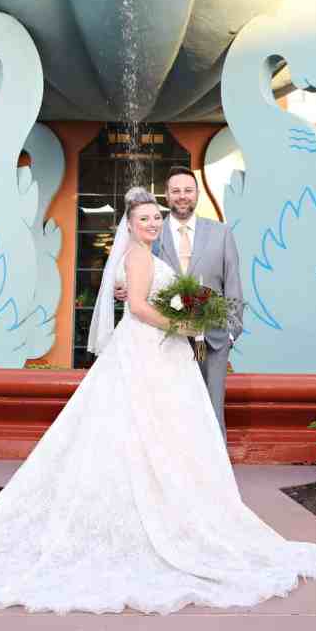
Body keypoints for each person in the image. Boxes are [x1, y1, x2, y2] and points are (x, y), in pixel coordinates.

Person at [0, 186, 316, 614]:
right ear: (130, 225)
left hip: (164, 356)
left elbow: (148, 296)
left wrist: (188, 310)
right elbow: (144, 309)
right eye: (143, 219)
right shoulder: (140, 256)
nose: (151, 224)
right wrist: (186, 325)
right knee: (134, 426)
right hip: (148, 350)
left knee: (166, 431)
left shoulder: (151, 256)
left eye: (155, 219)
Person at [115, 166, 242, 439]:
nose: (182, 196)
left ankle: (214, 472)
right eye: (176, 191)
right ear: (166, 195)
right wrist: (123, 288)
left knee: (209, 404)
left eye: (188, 190)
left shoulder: (221, 233)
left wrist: (231, 333)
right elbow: (138, 278)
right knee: (173, 405)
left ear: (197, 194)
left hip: (209, 339)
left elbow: (233, 285)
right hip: (167, 338)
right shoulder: (151, 232)